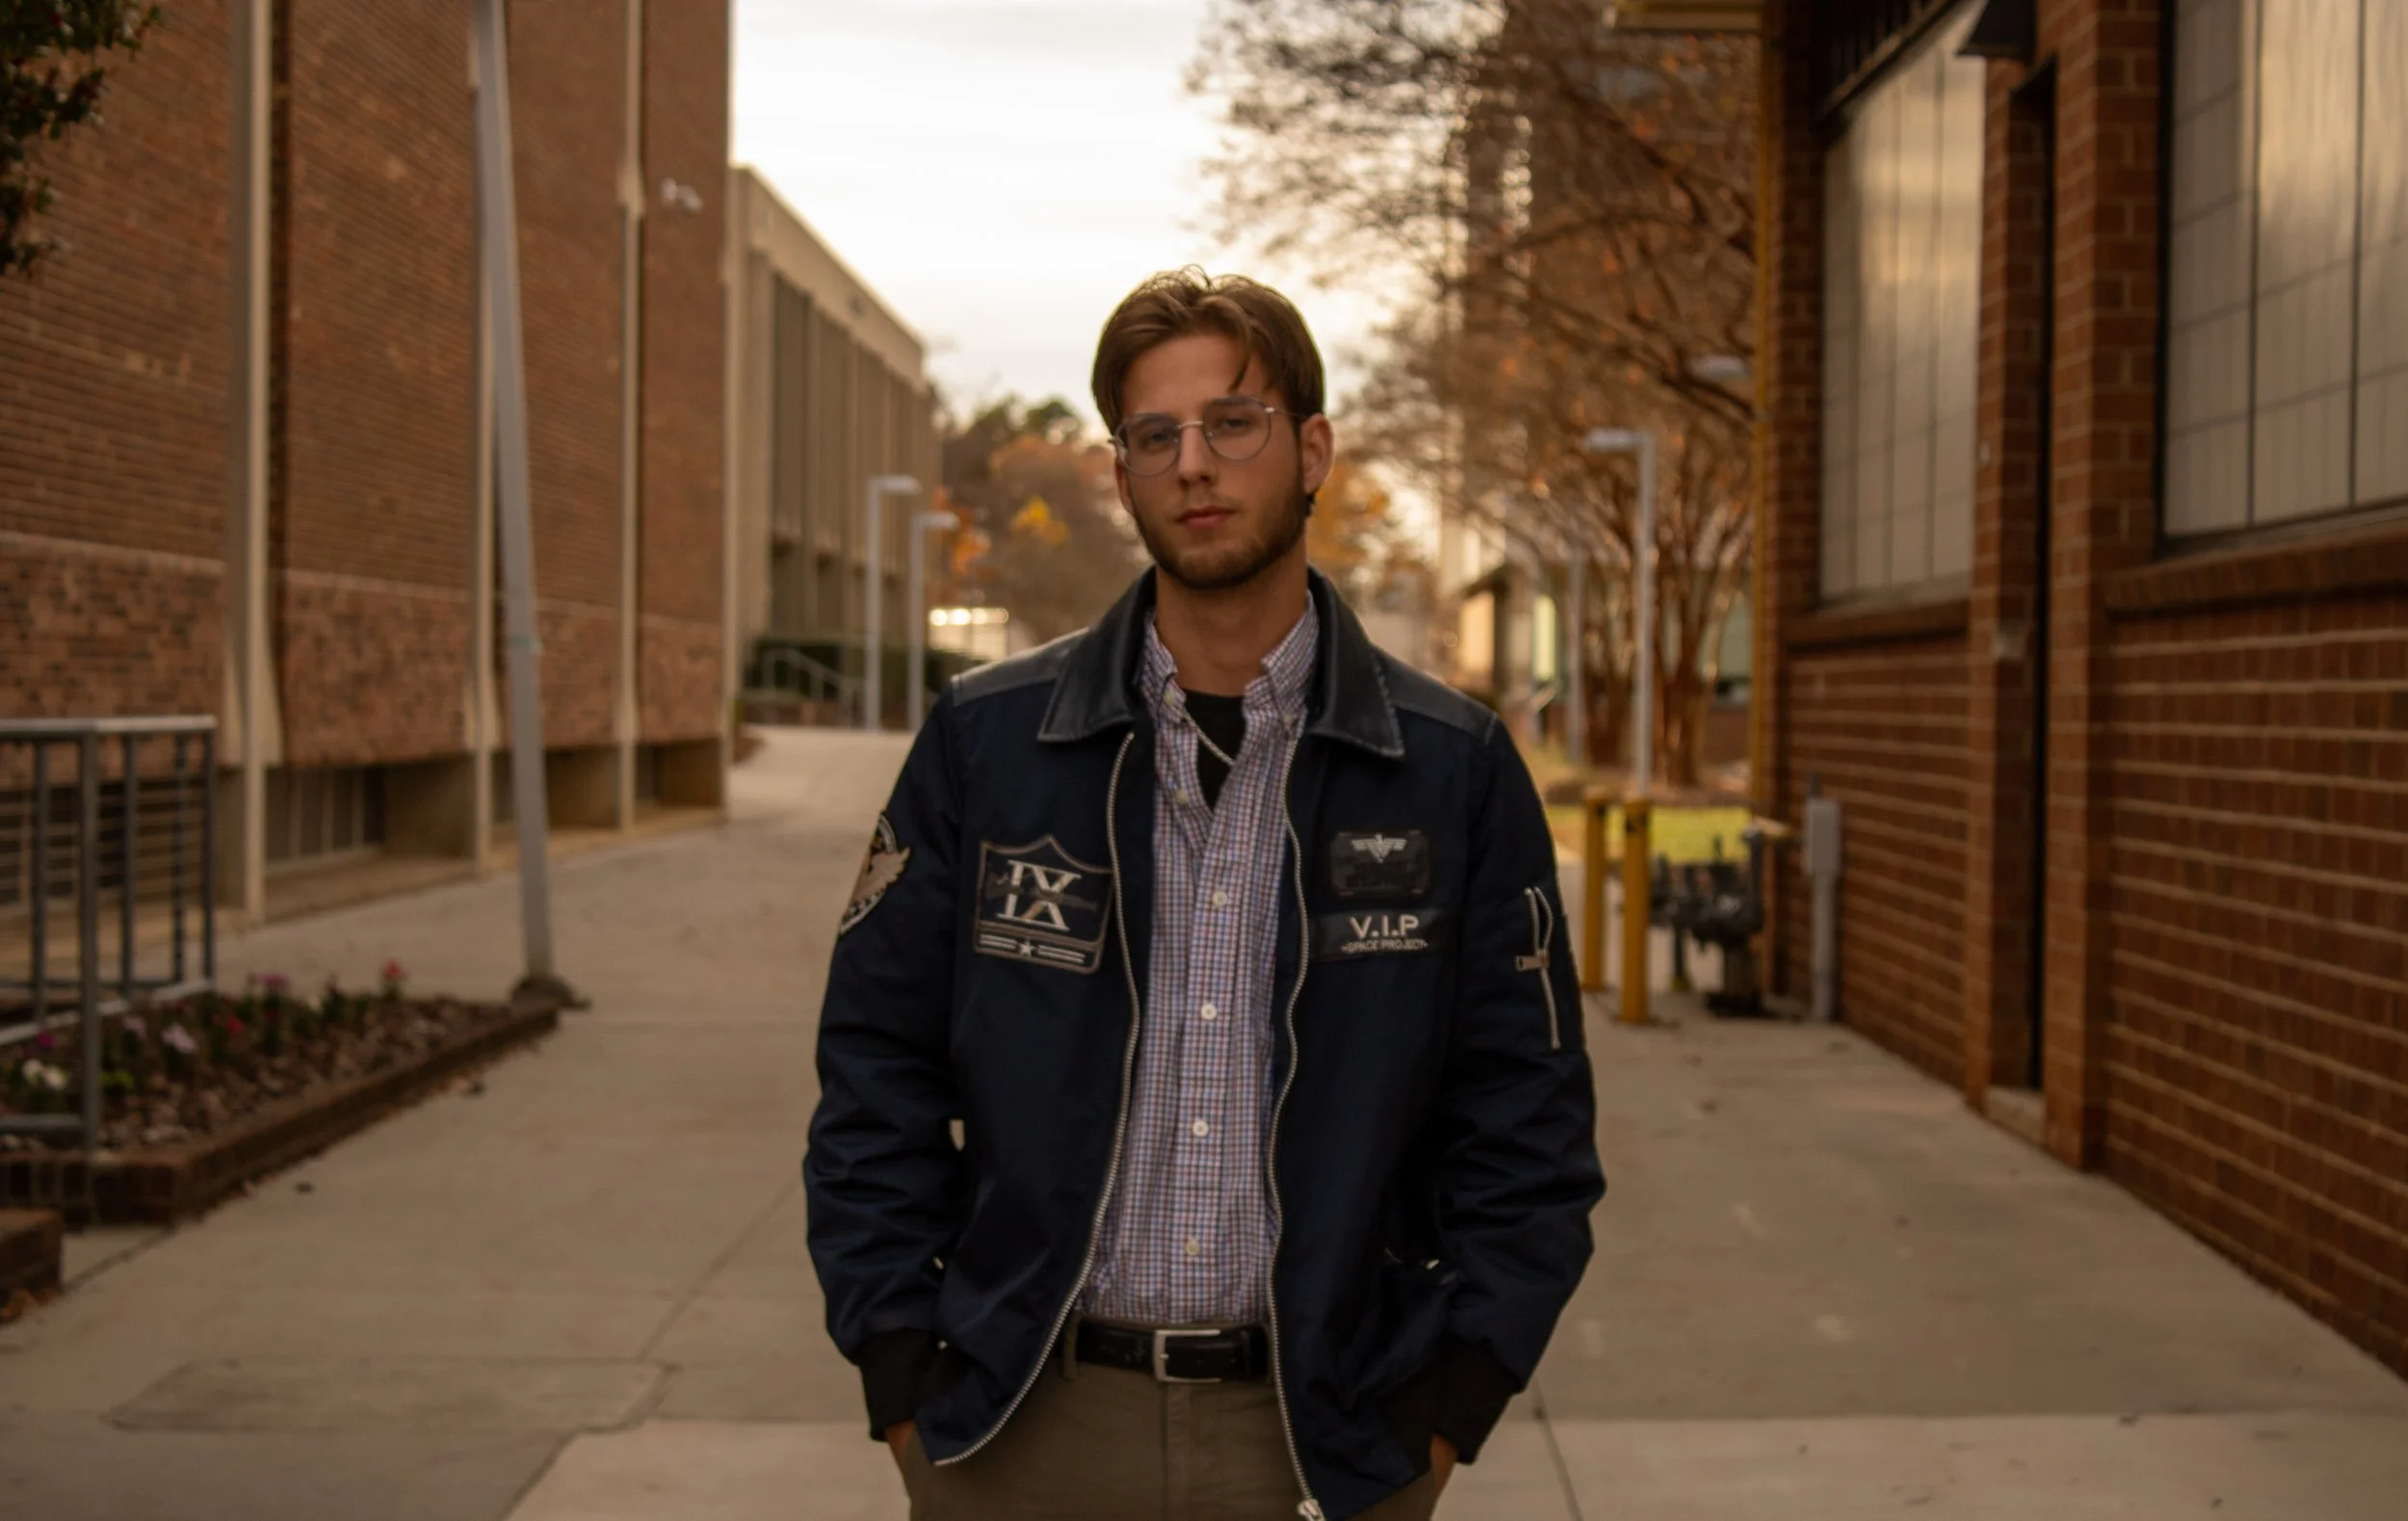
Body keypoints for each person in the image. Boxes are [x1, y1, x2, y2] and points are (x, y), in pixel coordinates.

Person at [805, 268, 1603, 1521]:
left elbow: (1528, 1118)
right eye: (1154, 434)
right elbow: (874, 1067)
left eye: (1234, 422)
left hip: (1323, 1438)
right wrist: (901, 1359)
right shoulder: (990, 744)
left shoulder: (1450, 767)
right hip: (1022, 1428)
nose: (1195, 463)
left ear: (1313, 448)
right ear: (1120, 472)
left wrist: (1451, 1398)